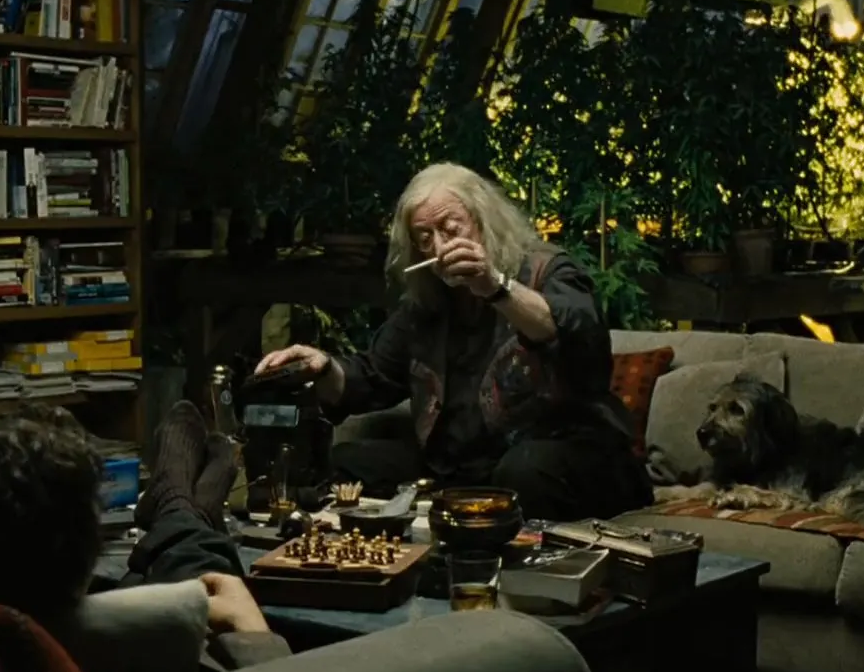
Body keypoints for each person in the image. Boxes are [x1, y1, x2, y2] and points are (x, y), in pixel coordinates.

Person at [255, 162, 653, 522]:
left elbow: (576, 334)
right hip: (461, 468)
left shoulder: (545, 269)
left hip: (572, 455)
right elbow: (373, 376)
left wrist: (493, 286)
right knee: (349, 463)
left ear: (483, 222)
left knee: (523, 472)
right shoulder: (428, 303)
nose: (440, 246)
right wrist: (323, 366)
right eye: (424, 237)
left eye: (450, 228)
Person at [0, 403, 289, 672]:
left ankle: (179, 502)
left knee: (148, 574)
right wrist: (256, 637)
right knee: (195, 559)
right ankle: (181, 506)